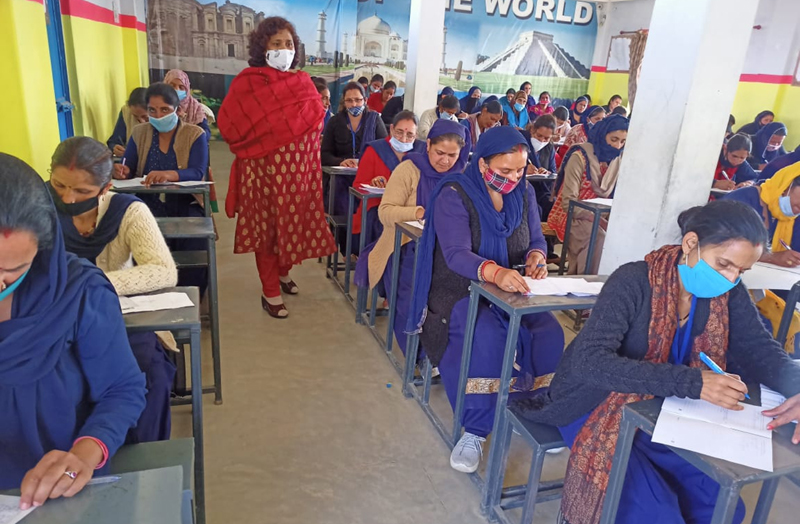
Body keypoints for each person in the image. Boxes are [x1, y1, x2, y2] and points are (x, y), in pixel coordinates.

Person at [513, 200, 800, 524]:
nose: (731, 278)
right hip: (593, 402)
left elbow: (761, 351)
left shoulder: (728, 292)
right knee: (655, 512)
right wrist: (695, 382)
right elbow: (589, 363)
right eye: (724, 264)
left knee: (721, 505)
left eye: (741, 271)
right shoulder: (634, 281)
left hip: (667, 410)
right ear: (691, 243)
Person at [407, 126, 565, 473]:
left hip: (513, 287)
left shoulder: (523, 193)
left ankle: (533, 408)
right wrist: (495, 272)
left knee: (548, 332)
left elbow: (536, 239)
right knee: (487, 336)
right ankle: (475, 429)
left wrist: (537, 257)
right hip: (460, 288)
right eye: (505, 170)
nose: (514, 178)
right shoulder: (454, 194)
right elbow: (456, 254)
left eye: (520, 170)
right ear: (482, 164)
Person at [0, 153, 146, 501]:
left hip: (53, 494)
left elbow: (122, 389)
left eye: (13, 270)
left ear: (41, 251)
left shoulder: (77, 294)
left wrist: (82, 456)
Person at [48, 137, 176, 444]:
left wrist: (94, 286)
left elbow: (163, 270)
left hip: (117, 315)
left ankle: (142, 461)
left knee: (148, 375)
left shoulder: (128, 211)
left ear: (106, 188)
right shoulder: (37, 207)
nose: (67, 198)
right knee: (56, 382)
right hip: (55, 317)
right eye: (59, 185)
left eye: (82, 192)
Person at [217, 16, 336, 318]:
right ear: (263, 48)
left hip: (298, 174)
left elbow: (316, 121)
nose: (285, 49)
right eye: (277, 44)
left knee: (293, 226)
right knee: (267, 232)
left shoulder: (303, 82)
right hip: (263, 174)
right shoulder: (247, 83)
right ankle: (269, 290)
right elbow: (230, 125)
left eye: (289, 43)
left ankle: (283, 273)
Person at [359, 120, 470, 353]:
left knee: (451, 301)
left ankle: (440, 352)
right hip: (404, 248)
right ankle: (416, 355)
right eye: (439, 153)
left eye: (452, 155)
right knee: (410, 301)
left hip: (445, 252)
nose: (445, 161)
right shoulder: (408, 170)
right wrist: (418, 212)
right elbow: (385, 212)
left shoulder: (462, 176)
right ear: (427, 145)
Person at [114, 82, 208, 291]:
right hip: (147, 203)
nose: (158, 116)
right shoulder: (139, 133)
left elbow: (197, 171)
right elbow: (128, 167)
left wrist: (169, 175)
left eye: (165, 110)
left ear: (178, 109)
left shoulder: (195, 134)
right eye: (152, 110)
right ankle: (151, 293)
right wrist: (121, 171)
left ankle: (190, 294)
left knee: (195, 241)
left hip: (185, 203)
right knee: (137, 239)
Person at [549, 114, 629, 274]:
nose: (617, 146)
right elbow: (568, 203)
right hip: (572, 216)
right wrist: (596, 218)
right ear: (602, 134)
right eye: (613, 139)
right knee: (598, 238)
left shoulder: (616, 160)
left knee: (620, 236)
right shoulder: (579, 157)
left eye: (623, 142)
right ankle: (584, 281)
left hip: (600, 217)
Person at [351, 111, 426, 248]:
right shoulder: (374, 150)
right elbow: (358, 185)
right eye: (399, 132)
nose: (403, 139)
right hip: (378, 208)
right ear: (391, 129)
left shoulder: (422, 152)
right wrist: (372, 183)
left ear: (416, 135)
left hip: (411, 208)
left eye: (410, 135)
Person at [721, 163, 800, 268]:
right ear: (786, 185)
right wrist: (770, 257)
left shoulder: (793, 216)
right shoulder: (740, 201)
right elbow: (719, 245)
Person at [523, 115, 558, 222]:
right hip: (523, 189)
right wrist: (523, 168)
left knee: (552, 204)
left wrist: (546, 172)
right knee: (534, 208)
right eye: (539, 136)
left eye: (546, 138)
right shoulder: (521, 142)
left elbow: (553, 171)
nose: (542, 140)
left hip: (541, 189)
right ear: (532, 130)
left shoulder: (549, 148)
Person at [164, 69, 211, 141]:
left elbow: (205, 134)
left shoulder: (195, 107)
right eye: (172, 86)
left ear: (187, 90)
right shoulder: (159, 105)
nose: (176, 90)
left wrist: (184, 123)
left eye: (181, 87)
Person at [107, 87, 148, 157]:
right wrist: (115, 148)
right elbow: (114, 141)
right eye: (135, 116)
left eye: (145, 117)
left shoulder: (160, 118)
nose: (141, 121)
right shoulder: (126, 112)